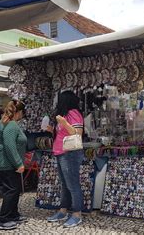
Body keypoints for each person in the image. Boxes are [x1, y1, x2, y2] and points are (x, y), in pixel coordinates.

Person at [47, 91, 85, 228]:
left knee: (72, 185)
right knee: (65, 184)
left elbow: (77, 133)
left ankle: (77, 214)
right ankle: (63, 210)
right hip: (61, 152)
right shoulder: (65, 114)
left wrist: (63, 122)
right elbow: (63, 132)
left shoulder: (73, 113)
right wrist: (52, 129)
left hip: (70, 153)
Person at [0, 100, 27, 230]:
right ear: (19, 112)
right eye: (23, 112)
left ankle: (13, 215)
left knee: (14, 189)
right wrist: (18, 163)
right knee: (11, 190)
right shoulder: (12, 125)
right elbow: (9, 145)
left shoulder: (4, 122)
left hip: (5, 163)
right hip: (8, 164)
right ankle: (3, 219)